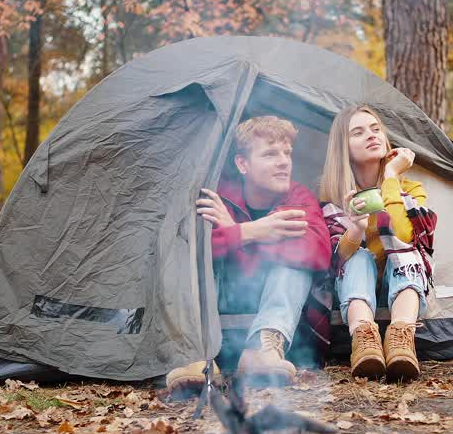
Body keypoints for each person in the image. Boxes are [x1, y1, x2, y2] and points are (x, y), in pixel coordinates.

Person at [166, 116, 332, 397]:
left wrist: (235, 234)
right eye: (270, 153)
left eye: (287, 153)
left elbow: (318, 253)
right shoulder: (217, 195)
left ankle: (263, 350)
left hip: (277, 320)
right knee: (196, 258)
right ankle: (194, 353)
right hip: (219, 315)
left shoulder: (298, 197)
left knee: (295, 265)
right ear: (242, 164)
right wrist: (248, 232)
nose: (284, 162)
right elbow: (185, 249)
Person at [319, 105, 436, 383]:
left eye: (375, 129)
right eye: (358, 133)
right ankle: (364, 338)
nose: (371, 136)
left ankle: (401, 337)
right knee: (358, 257)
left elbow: (405, 237)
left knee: (406, 254)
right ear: (343, 148)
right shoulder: (334, 198)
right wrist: (356, 227)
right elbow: (336, 260)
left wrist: (392, 179)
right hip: (354, 296)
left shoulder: (411, 190)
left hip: (401, 292)